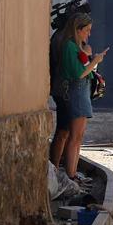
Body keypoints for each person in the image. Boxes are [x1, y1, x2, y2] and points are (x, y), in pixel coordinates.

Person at [58, 13, 109, 180]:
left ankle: (72, 172)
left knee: (79, 136)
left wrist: (91, 59)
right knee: (75, 136)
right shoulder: (69, 47)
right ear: (77, 30)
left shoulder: (77, 47)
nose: (89, 34)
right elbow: (79, 73)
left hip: (82, 92)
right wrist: (95, 61)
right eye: (86, 30)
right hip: (76, 92)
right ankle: (70, 174)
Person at [49, 27, 70, 168]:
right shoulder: (64, 39)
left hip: (61, 88)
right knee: (63, 130)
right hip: (62, 89)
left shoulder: (59, 36)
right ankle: (55, 165)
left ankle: (57, 163)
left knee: (65, 130)